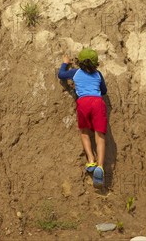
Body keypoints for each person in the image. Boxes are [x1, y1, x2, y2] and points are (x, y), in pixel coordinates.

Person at [58, 48, 108, 187]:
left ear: (79, 62)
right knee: (100, 136)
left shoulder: (75, 72)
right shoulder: (98, 74)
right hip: (97, 103)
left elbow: (61, 75)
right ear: (95, 63)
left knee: (84, 133)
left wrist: (65, 63)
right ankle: (100, 166)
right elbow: (104, 91)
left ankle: (91, 159)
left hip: (83, 102)